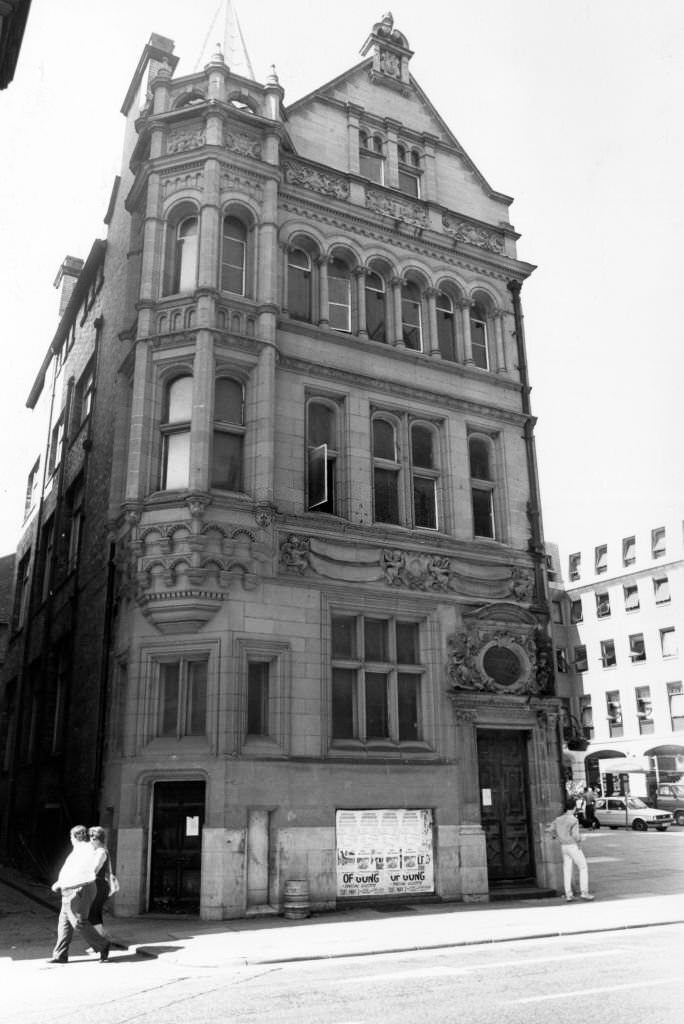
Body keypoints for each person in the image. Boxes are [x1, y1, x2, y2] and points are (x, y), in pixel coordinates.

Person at [48, 824, 111, 964]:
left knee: (79, 923)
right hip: (72, 890)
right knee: (64, 923)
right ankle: (60, 955)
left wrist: (58, 883)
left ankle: (103, 945)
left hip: (78, 889)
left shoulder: (84, 850)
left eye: (71, 837)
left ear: (74, 837)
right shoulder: (82, 849)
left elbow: (76, 871)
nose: (70, 839)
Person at [547, 797, 595, 902]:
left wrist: (556, 836)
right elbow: (575, 836)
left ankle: (568, 894)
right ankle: (584, 892)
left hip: (563, 846)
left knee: (567, 869)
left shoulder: (558, 819)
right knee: (583, 867)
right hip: (573, 846)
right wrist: (582, 838)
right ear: (574, 807)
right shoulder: (574, 820)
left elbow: (550, 829)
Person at [86, 826, 126, 952]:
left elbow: (94, 869)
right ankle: (100, 941)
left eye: (92, 838)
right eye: (90, 837)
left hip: (97, 885)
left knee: (92, 915)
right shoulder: (103, 850)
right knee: (96, 914)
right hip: (99, 886)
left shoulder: (100, 852)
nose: (90, 840)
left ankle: (103, 941)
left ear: (97, 839)